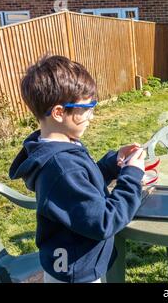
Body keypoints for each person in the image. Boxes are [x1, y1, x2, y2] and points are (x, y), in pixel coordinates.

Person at [9, 55, 146, 283]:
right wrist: (131, 176)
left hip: (75, 263)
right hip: (75, 273)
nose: (91, 116)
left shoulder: (62, 146)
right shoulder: (61, 167)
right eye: (87, 108)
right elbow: (104, 221)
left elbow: (83, 184)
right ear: (59, 112)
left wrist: (112, 164)